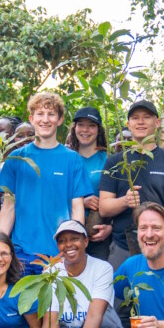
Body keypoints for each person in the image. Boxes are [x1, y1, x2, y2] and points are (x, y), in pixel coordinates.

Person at [0, 92, 91, 272]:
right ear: (32, 119)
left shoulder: (73, 160)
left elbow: (77, 207)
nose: (45, 120)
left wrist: (75, 246)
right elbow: (8, 207)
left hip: (59, 253)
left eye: (51, 114)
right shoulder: (16, 159)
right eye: (40, 114)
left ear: (60, 119)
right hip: (22, 253)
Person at [99, 100, 164, 267]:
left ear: (157, 122)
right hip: (123, 247)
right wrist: (125, 201)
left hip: (162, 248)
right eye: (135, 118)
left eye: (147, 117)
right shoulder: (115, 162)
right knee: (119, 291)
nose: (140, 122)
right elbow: (104, 207)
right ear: (128, 124)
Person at [67, 107, 113, 260]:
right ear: (74, 128)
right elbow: (53, 196)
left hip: (98, 235)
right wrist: (81, 202)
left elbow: (118, 196)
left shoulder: (108, 160)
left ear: (99, 130)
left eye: (91, 125)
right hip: (68, 233)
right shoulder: (66, 159)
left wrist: (110, 228)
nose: (85, 130)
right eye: (81, 124)